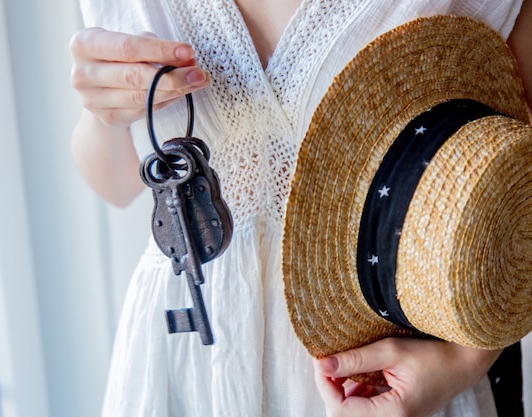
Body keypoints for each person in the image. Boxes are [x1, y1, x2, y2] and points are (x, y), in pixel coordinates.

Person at [69, 1, 532, 416]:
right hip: (185, 366)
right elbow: (115, 186)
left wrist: (466, 362)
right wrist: (103, 111)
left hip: (383, 385)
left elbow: (520, 194)